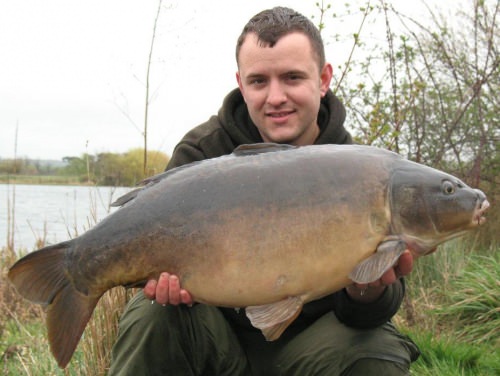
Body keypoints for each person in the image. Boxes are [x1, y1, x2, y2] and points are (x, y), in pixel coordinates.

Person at [108, 7, 420, 376]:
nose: (275, 97)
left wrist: (367, 290)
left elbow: (368, 313)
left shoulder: (363, 174)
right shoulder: (202, 153)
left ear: (323, 79)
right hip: (218, 345)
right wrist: (161, 282)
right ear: (240, 84)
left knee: (376, 347)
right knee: (151, 314)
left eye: (291, 77)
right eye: (259, 81)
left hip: (309, 353)